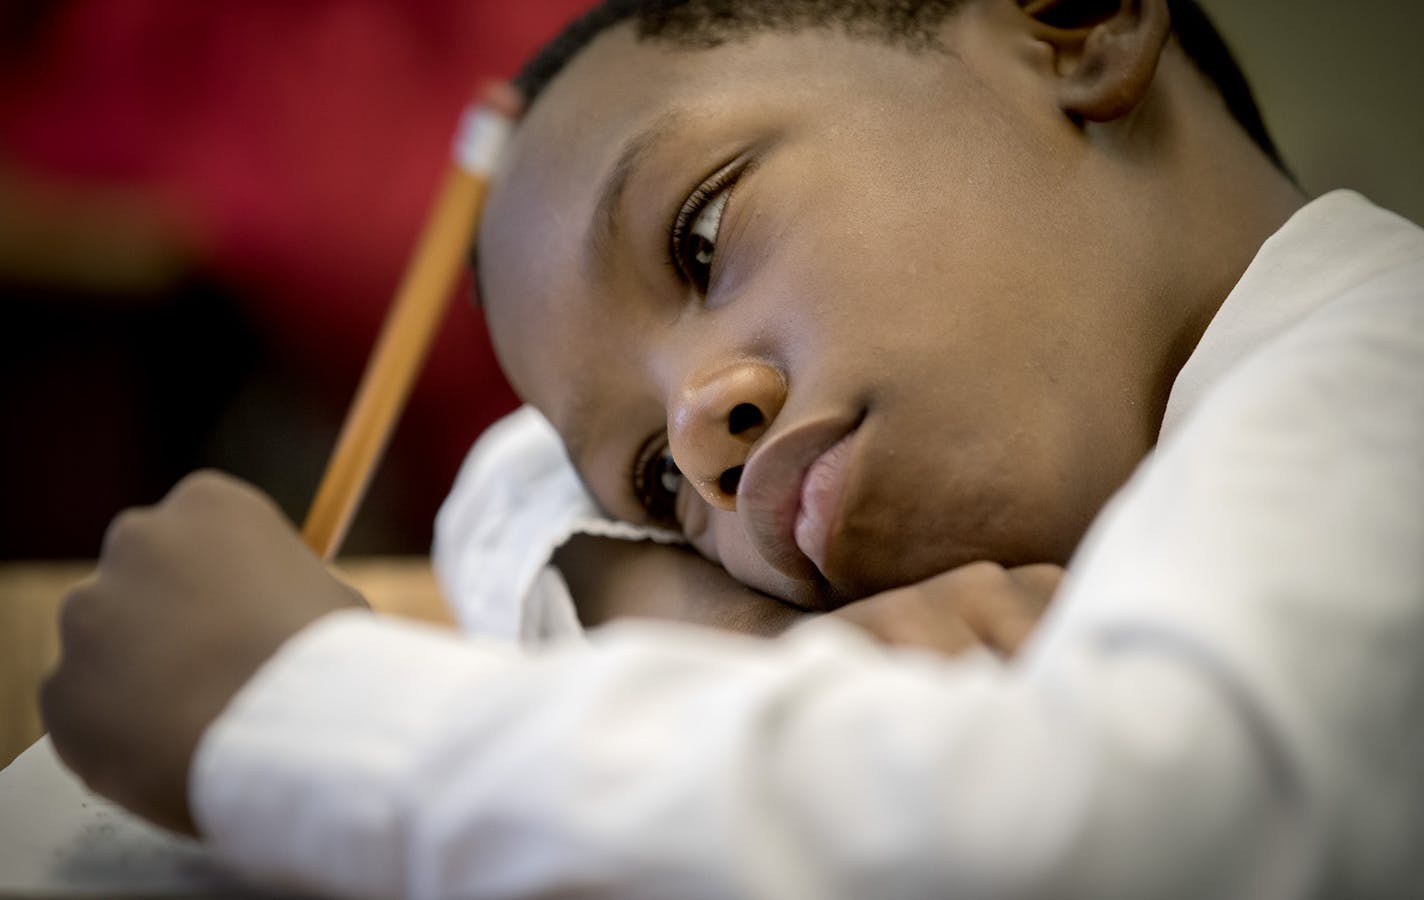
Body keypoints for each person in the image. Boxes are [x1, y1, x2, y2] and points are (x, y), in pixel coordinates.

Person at [41, 0, 1424, 897]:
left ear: (1069, 28)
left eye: (700, 237)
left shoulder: (1380, 377)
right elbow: (515, 476)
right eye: (654, 485)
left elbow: (1153, 834)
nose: (702, 440)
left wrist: (290, 706)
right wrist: (689, 604)